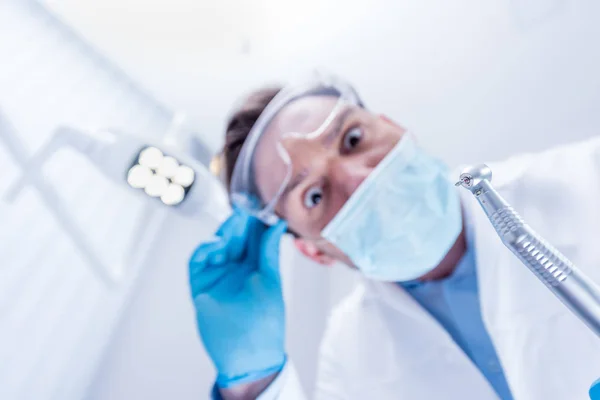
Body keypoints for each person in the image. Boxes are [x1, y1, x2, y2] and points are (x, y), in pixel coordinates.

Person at [188, 72, 600, 400]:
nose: (359, 178)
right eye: (314, 195)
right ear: (314, 252)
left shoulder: (587, 177)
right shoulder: (349, 357)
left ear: (393, 126)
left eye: (352, 139)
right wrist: (253, 387)